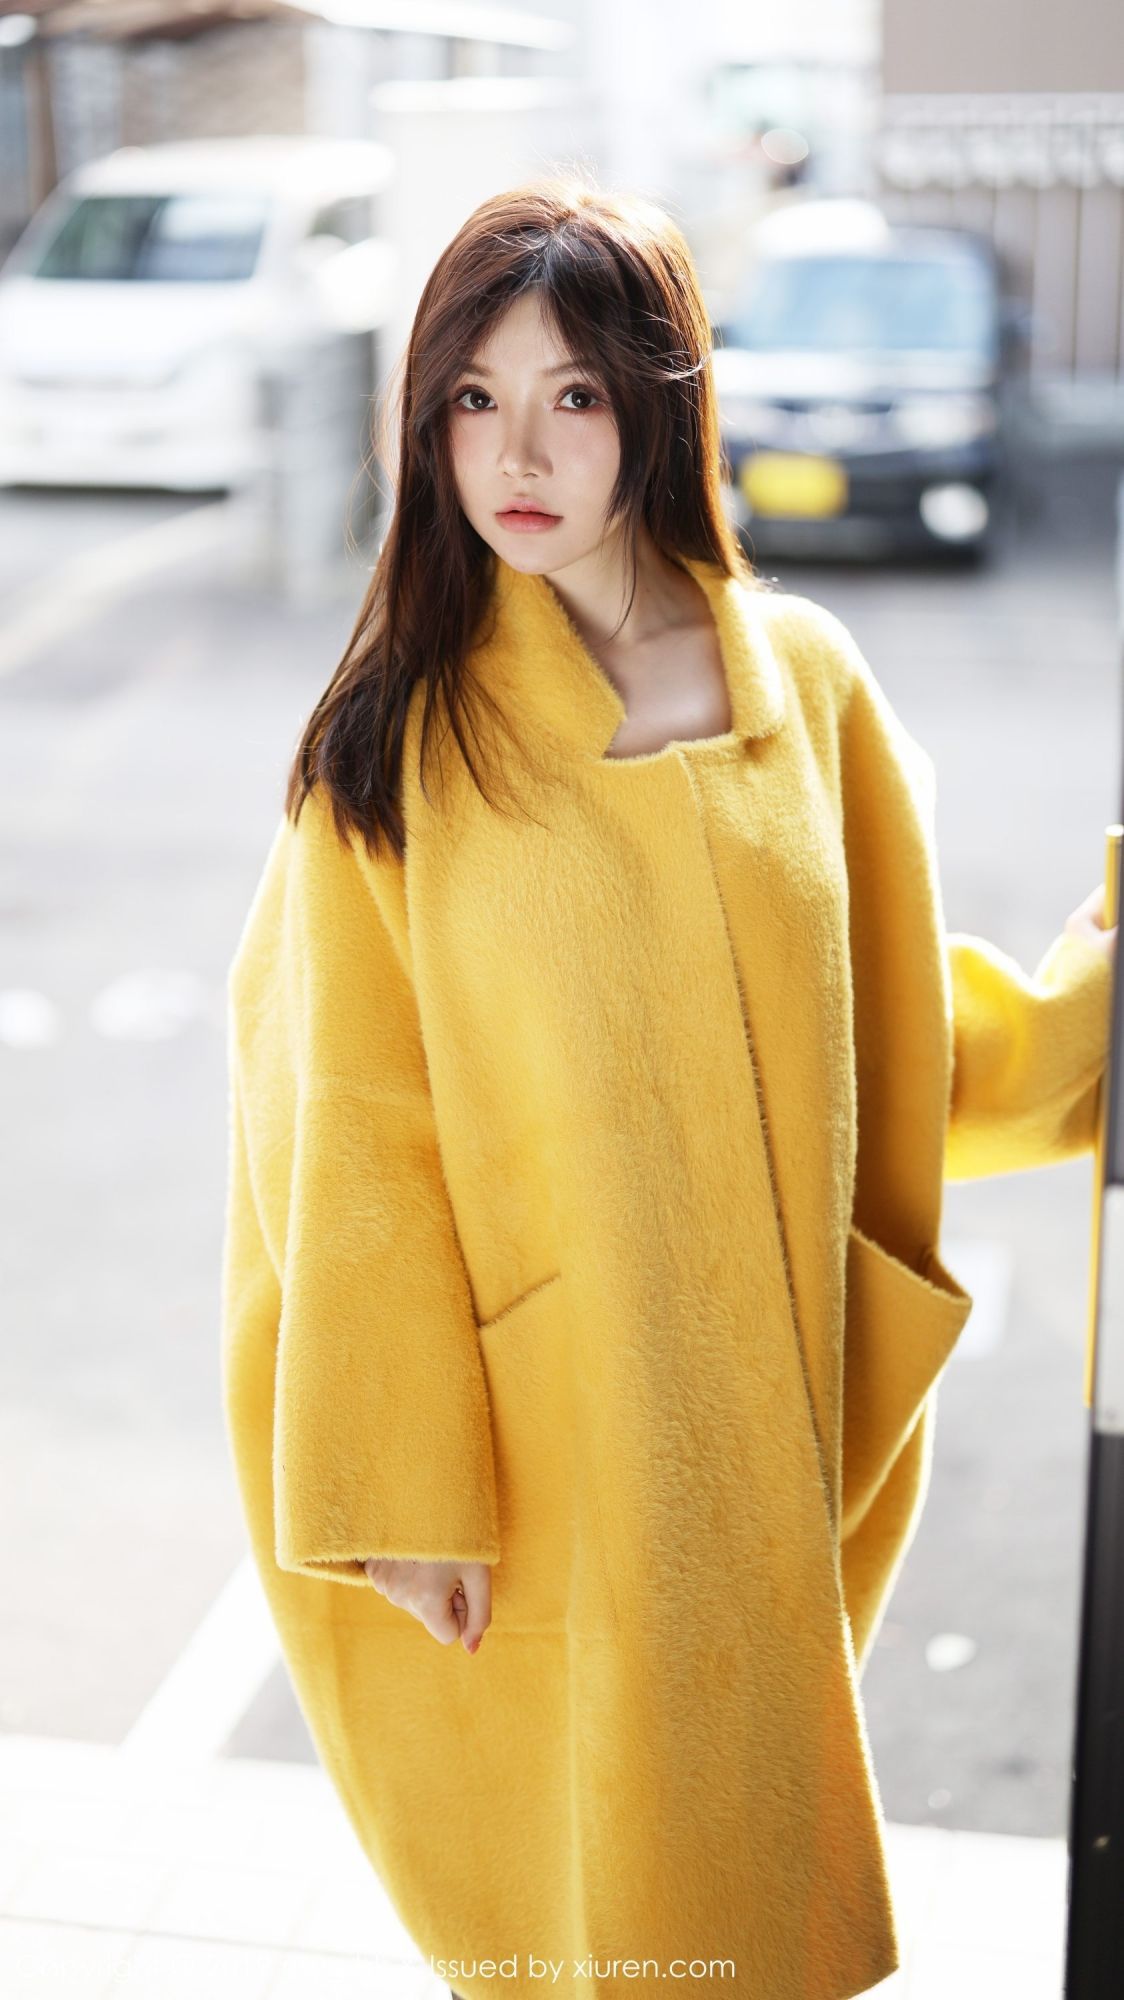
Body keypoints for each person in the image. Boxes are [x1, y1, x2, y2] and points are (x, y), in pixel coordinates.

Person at [220, 175, 1116, 2000]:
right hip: (553, 1430)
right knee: (607, 1919)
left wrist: (1084, 1013)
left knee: (733, 1882)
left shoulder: (806, 685)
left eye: (573, 393)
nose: (517, 452)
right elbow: (347, 1131)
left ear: (657, 402)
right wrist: (406, 1486)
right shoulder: (401, 742)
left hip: (771, 1402)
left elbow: (893, 1019)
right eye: (473, 398)